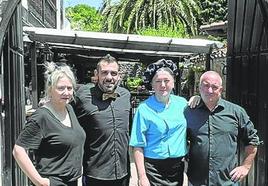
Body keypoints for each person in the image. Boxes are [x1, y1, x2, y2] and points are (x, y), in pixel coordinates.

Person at [13, 62, 86, 186]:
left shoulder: (69, 109)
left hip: (71, 182)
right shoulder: (42, 116)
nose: (66, 92)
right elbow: (18, 150)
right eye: (61, 88)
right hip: (52, 181)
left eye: (69, 88)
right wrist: (40, 181)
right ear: (50, 89)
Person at [185, 70, 261, 186]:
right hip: (196, 181)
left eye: (214, 87)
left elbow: (252, 140)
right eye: (205, 86)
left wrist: (246, 166)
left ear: (220, 90)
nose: (209, 90)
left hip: (227, 181)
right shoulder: (188, 112)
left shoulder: (236, 112)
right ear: (199, 88)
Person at [72, 54, 131, 186]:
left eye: (113, 73)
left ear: (119, 76)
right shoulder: (82, 95)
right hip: (95, 173)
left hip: (123, 173)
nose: (109, 77)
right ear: (96, 74)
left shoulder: (126, 95)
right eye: (104, 73)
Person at [129, 59, 188, 186]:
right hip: (153, 168)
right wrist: (142, 176)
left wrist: (197, 98)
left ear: (173, 83)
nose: (162, 85)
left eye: (166, 81)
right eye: (158, 81)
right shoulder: (143, 109)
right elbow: (138, 144)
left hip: (177, 168)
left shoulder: (183, 104)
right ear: (152, 84)